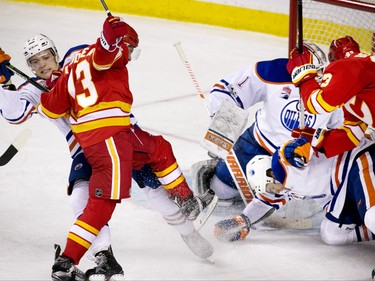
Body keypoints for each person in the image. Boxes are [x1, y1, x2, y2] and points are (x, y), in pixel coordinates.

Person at [0, 24, 214, 281]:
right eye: (35, 62)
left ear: (55, 54)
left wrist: (122, 41)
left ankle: (189, 231)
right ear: (30, 66)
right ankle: (104, 255)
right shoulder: (33, 87)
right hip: (84, 148)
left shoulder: (74, 57)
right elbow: (14, 113)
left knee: (155, 192)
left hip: (122, 132)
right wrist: (3, 82)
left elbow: (113, 55)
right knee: (80, 198)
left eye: (46, 56)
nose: (42, 64)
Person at [192, 43, 343, 239]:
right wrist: (222, 117)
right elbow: (227, 89)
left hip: (298, 157)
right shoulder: (273, 72)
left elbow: (341, 129)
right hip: (256, 145)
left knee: (294, 214)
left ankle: (262, 196)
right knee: (221, 192)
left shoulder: (333, 87)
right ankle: (217, 166)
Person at [280, 35, 375, 278]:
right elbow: (352, 134)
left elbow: (318, 103)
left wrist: (304, 74)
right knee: (336, 231)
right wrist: (316, 146)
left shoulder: (356, 66)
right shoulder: (365, 75)